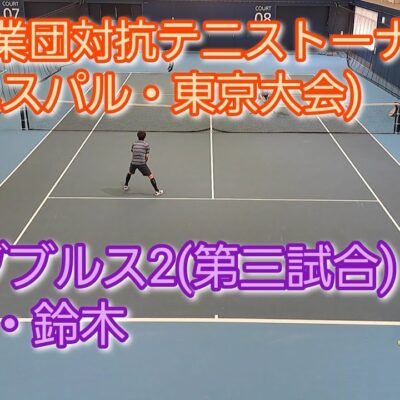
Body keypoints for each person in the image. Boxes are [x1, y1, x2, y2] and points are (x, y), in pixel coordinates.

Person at [123, 131, 164, 196]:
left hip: (133, 162)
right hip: (142, 163)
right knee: (151, 176)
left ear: (137, 136)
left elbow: (133, 151)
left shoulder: (134, 144)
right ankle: (157, 191)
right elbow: (146, 156)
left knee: (129, 172)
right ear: (145, 137)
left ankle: (126, 185)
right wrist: (144, 162)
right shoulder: (146, 145)